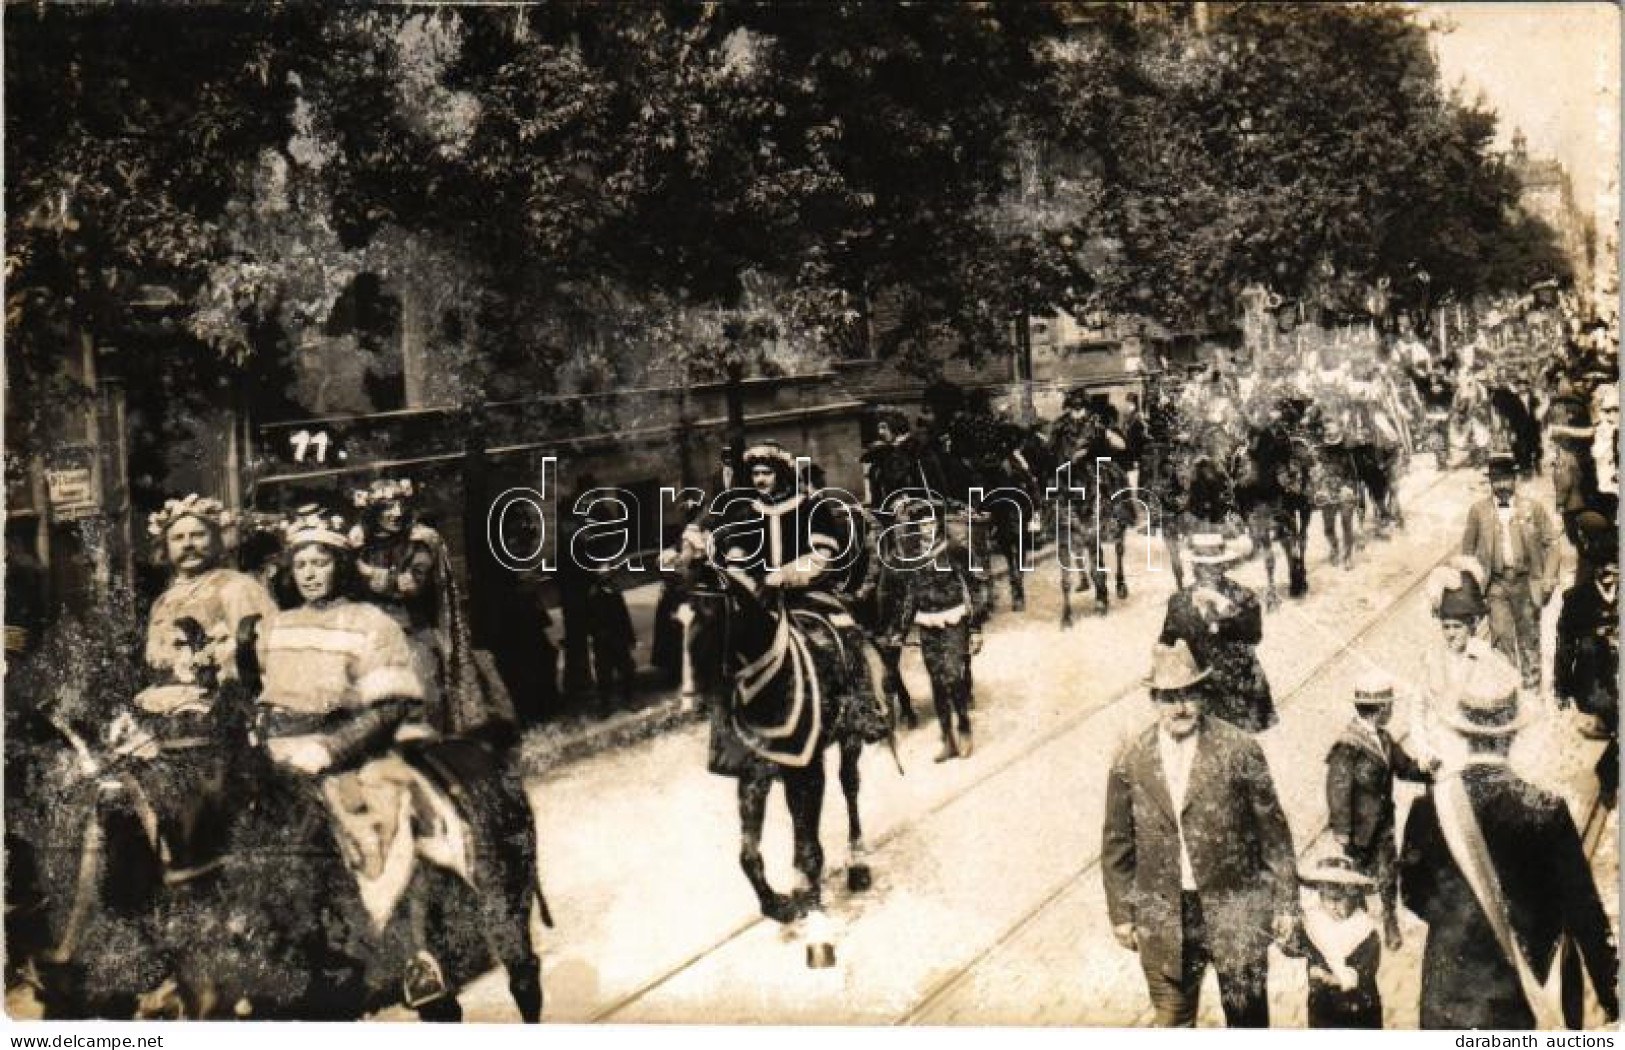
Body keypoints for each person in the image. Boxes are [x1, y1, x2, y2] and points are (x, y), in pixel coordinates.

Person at [248, 505, 453, 1016]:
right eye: (302, 565)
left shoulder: (372, 622)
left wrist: (329, 750)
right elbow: (266, 696)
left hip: (349, 755)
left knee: (379, 834)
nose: (311, 574)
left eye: (321, 563)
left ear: (339, 567)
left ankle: (413, 956)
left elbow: (388, 707)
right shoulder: (276, 627)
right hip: (279, 757)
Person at [1399, 660, 1620, 1030]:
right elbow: (1584, 911)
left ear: (1463, 733)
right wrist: (1612, 995)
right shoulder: (1546, 809)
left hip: (1447, 990)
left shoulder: (1428, 807)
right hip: (1518, 988)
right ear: (1511, 735)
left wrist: (1460, 922)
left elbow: (1413, 895)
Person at [1102, 640, 1299, 1027]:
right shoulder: (1131, 760)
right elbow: (1116, 844)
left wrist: (1286, 903)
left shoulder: (1238, 748)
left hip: (1235, 908)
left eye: (1188, 694)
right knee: (1174, 1023)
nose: (1180, 707)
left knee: (1248, 1023)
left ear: (1201, 694)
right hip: (1166, 916)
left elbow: (1273, 833)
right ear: (1154, 700)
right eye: (1169, 698)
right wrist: (1122, 914)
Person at [352, 478, 512, 737]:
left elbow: (411, 584)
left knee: (424, 692)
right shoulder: (361, 544)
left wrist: (365, 572)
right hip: (371, 637)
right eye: (387, 507)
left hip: (413, 631)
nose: (396, 512)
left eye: (400, 504)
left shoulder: (421, 540)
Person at [1324, 672, 1435, 949]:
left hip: (1383, 824)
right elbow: (1338, 791)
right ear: (1382, 709)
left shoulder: (1384, 739)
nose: (1392, 711)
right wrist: (1342, 832)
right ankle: (1357, 929)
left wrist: (1427, 770)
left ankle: (1389, 921)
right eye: (1390, 706)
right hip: (1358, 830)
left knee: (1387, 875)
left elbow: (1404, 767)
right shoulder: (1347, 746)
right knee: (1356, 879)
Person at [880, 498, 985, 762]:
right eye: (922, 524)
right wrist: (899, 632)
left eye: (931, 522)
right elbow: (910, 597)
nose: (927, 528)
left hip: (954, 620)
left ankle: (964, 728)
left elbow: (973, 589)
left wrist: (975, 629)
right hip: (927, 624)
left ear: (938, 523)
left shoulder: (955, 550)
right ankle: (947, 739)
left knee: (952, 676)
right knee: (937, 683)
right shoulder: (912, 557)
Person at [1460, 452, 1561, 688]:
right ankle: (1509, 691)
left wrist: (1548, 578)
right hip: (1495, 585)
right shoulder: (1478, 511)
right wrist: (1470, 589)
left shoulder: (1532, 508)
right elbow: (1466, 552)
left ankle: (1532, 694)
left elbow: (1553, 543)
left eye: (1506, 478)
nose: (1502, 485)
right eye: (1497, 479)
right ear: (1490, 481)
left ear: (1514, 479)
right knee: (1502, 637)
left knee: (1529, 640)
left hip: (1526, 583)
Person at [1159, 533, 1275, 733]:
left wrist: (1226, 614)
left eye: (1214, 566)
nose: (1207, 572)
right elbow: (1168, 641)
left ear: (1223, 567)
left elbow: (1254, 636)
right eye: (1201, 565)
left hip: (1238, 689)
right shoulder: (1179, 601)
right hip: (1198, 691)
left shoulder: (1243, 597)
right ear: (1193, 568)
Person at [1555, 511, 1619, 804]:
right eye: (1606, 570)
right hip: (1595, 685)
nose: (1612, 575)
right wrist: (1561, 687)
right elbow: (1565, 645)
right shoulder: (1577, 601)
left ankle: (1608, 771)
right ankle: (1608, 775)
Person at [1288, 851, 1383, 1029]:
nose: (1333, 906)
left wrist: (1333, 978)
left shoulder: (1364, 930)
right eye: (1326, 899)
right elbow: (1293, 947)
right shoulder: (1315, 924)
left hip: (1361, 1009)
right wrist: (1285, 936)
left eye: (1340, 900)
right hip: (1322, 1010)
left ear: (1355, 897)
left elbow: (1365, 970)